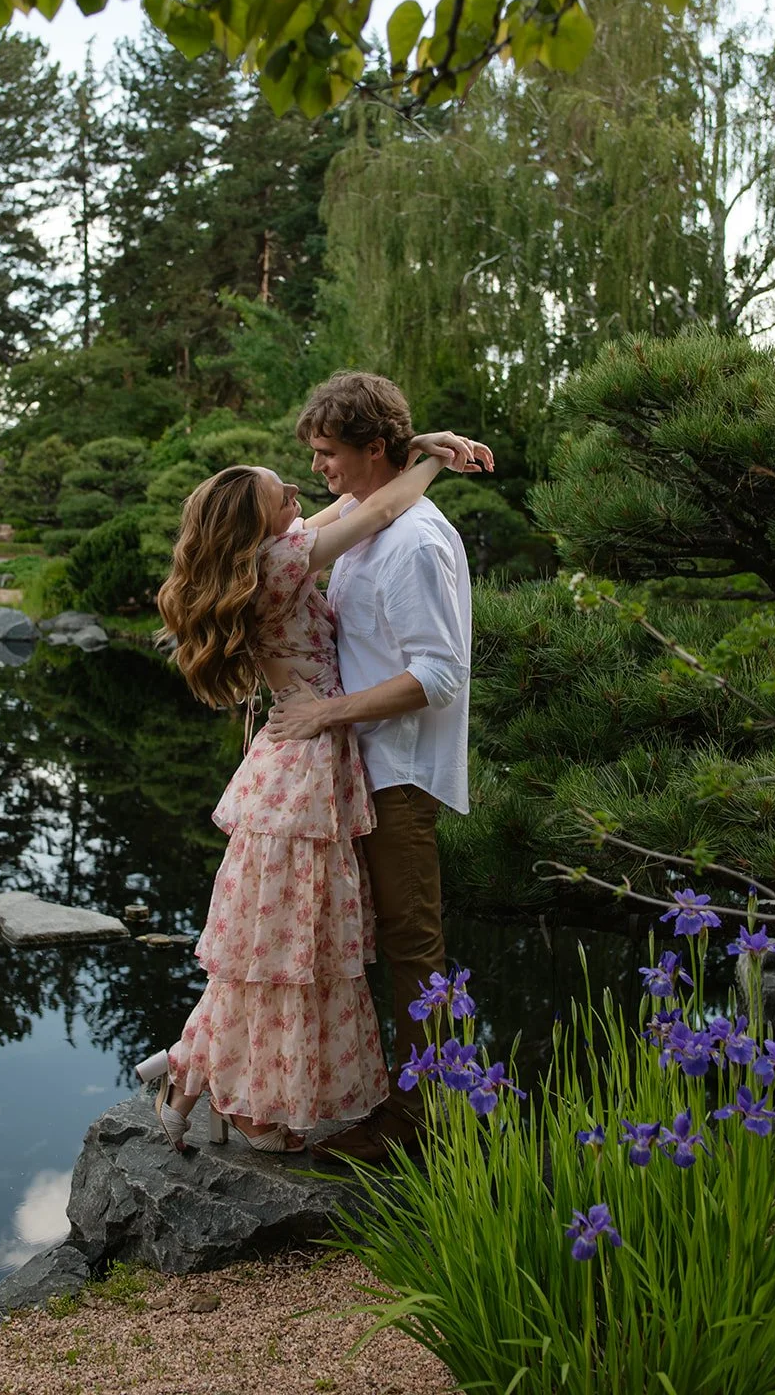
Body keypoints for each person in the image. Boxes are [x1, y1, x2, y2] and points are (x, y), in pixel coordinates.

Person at [135, 437, 461, 1155]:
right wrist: (435, 462)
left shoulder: (262, 559)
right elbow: (379, 507)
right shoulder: (280, 563)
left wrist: (406, 445)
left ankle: (193, 1059)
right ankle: (209, 1070)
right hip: (305, 764)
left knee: (274, 938)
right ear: (262, 525)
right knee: (290, 941)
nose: (301, 496)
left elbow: (354, 498)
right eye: (285, 494)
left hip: (294, 759)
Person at [267, 372, 493, 1165]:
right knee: (342, 942)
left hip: (398, 775)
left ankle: (424, 1119)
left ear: (371, 449)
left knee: (410, 946)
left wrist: (320, 714)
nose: (320, 468)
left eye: (329, 454)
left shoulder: (416, 543)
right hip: (354, 773)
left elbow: (438, 675)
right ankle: (373, 1095)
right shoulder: (369, 527)